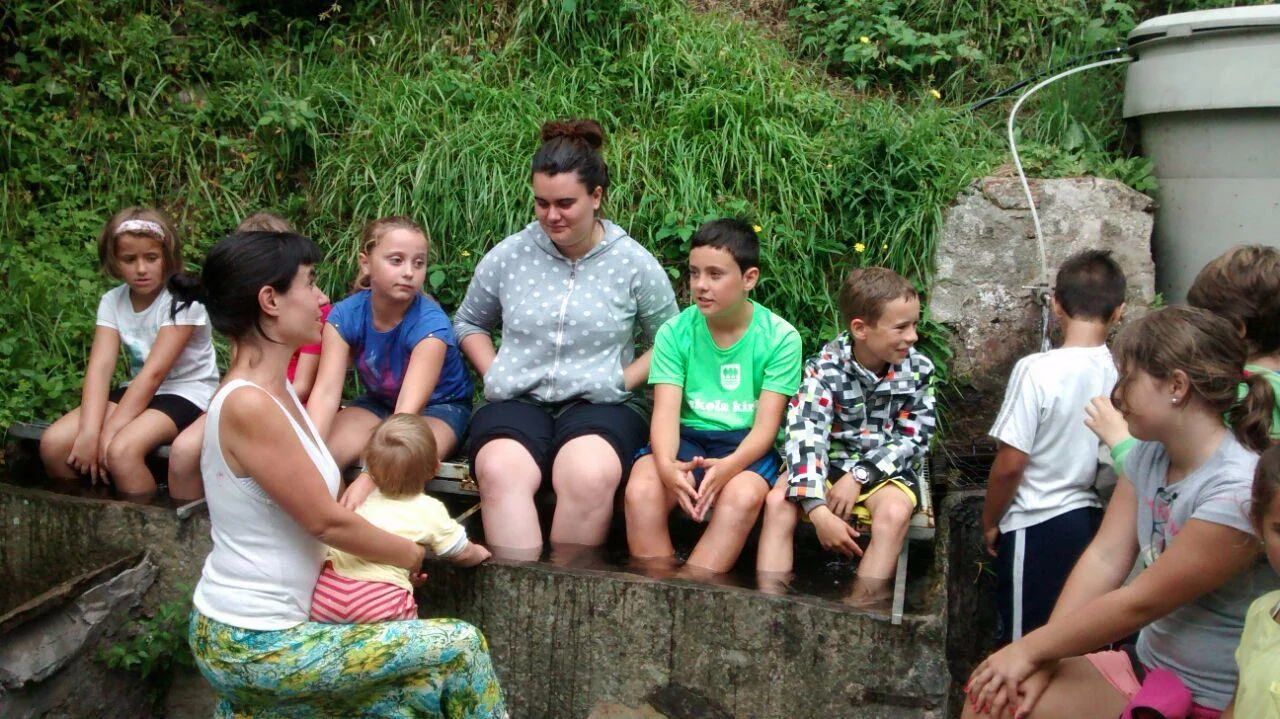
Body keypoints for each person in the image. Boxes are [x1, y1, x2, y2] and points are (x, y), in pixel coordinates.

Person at [176, 231, 505, 717]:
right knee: (462, 645)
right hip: (253, 642)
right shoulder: (249, 403)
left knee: (407, 705)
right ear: (270, 300)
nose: (322, 297)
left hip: (273, 629)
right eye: (310, 283)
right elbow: (325, 521)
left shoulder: (276, 392)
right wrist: (410, 552)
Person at [964, 306, 1279, 719]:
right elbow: (1105, 558)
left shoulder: (1234, 491)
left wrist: (1029, 650)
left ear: (1177, 386)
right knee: (991, 700)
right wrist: (1043, 660)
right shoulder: (1150, 452)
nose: (1116, 395)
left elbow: (1140, 602)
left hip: (1211, 695)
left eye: (1127, 378)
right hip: (1150, 667)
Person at [452, 119, 678, 559]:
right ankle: (516, 585)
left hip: (603, 405)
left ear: (596, 197)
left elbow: (670, 339)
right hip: (517, 399)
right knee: (499, 470)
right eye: (542, 203)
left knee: (588, 475)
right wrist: (493, 370)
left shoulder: (633, 263)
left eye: (565, 203)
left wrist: (621, 380)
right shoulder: (510, 254)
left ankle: (568, 587)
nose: (551, 216)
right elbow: (469, 321)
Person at [624, 219, 801, 574]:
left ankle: (694, 587)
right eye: (694, 273)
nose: (701, 286)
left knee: (742, 497)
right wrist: (666, 466)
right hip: (686, 439)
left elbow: (766, 430)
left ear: (749, 278)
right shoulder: (675, 332)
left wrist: (729, 468)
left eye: (715, 274)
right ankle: (657, 585)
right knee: (642, 490)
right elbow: (665, 414)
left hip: (744, 446)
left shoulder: (780, 338)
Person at [756, 266, 936, 609]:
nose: (913, 336)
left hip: (884, 468)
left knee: (894, 513)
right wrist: (817, 509)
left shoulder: (918, 370)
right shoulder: (824, 369)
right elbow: (806, 433)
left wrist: (861, 475)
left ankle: (858, 608)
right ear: (860, 329)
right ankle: (769, 605)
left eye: (914, 324)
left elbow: (914, 438)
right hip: (828, 463)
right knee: (778, 503)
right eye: (901, 327)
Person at [983, 250, 1126, 644]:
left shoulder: (1036, 369)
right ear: (1119, 311)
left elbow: (1010, 463)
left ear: (1057, 305)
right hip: (1095, 526)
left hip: (1036, 522)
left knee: (1024, 647)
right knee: (1084, 645)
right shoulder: (1120, 371)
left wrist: (990, 520)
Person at [39, 207, 218, 497]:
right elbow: (100, 369)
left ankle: (145, 519)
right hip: (138, 390)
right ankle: (90, 510)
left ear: (167, 257)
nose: (141, 269)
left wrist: (108, 432)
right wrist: (89, 433)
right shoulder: (113, 301)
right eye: (129, 259)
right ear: (114, 260)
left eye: (151, 258)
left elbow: (154, 373)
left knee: (120, 451)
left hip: (188, 393)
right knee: (54, 443)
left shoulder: (183, 300)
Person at [165, 211, 329, 502]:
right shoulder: (244, 321)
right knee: (182, 451)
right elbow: (240, 370)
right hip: (256, 398)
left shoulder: (311, 314)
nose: (322, 297)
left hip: (290, 397)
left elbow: (303, 384)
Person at [308, 216, 473, 494]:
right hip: (378, 402)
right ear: (366, 263)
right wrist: (308, 452)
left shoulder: (431, 326)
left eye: (418, 263)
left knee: (399, 464)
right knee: (324, 456)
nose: (409, 272)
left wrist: (369, 478)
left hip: (439, 409)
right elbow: (325, 393)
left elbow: (407, 413)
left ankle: (368, 519)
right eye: (396, 260)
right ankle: (335, 518)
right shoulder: (344, 316)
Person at [1089, 245, 1280, 469]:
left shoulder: (1229, 396)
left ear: (1237, 329)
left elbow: (1192, 474)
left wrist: (1121, 442)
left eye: (1199, 321)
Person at [310, 413, 491, 624]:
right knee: (407, 638)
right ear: (435, 468)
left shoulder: (359, 499)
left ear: (369, 466)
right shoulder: (428, 509)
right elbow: (462, 553)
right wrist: (481, 552)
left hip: (327, 598)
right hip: (382, 603)